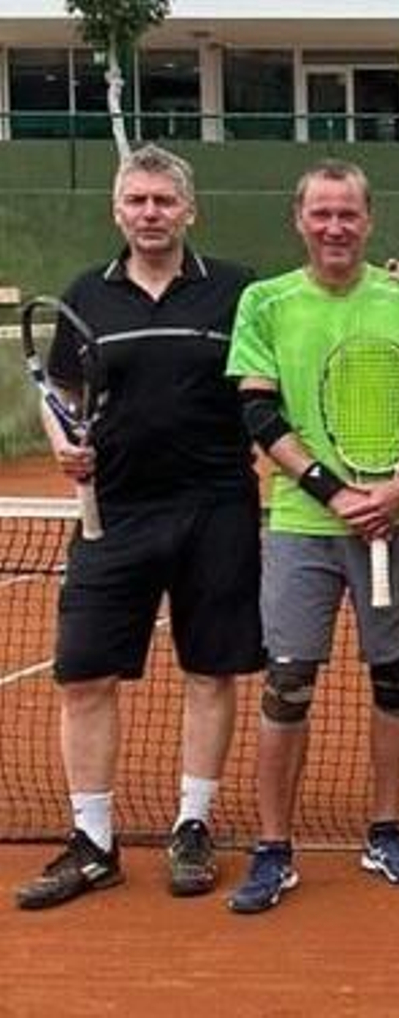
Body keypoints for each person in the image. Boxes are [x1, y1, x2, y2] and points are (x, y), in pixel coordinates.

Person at [13, 145, 263, 910]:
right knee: (83, 675)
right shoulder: (86, 293)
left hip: (218, 506)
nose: (150, 213)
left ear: (190, 209)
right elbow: (62, 393)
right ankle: (93, 843)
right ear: (117, 211)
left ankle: (193, 825)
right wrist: (63, 444)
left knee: (210, 672)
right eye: (137, 201)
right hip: (114, 515)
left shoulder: (238, 291)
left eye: (163, 200)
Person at [223, 159, 399, 914]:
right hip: (302, 527)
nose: (334, 227)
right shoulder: (265, 302)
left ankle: (386, 829)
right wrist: (335, 492)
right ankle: (273, 847)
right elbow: (259, 414)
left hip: (396, 518)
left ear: (369, 219)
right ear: (299, 220)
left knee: (396, 679)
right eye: (321, 214)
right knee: (287, 684)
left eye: (347, 214)